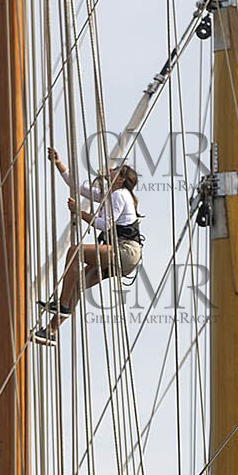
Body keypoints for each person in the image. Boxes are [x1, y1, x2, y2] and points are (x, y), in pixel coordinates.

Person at [33, 147, 143, 344]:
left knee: (75, 252)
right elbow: (78, 187)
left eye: (115, 170)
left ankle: (63, 304)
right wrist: (59, 164)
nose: (110, 170)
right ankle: (50, 331)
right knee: (76, 283)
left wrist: (79, 212)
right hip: (125, 256)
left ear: (120, 179)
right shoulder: (110, 195)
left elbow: (105, 224)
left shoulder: (120, 195)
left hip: (126, 251)